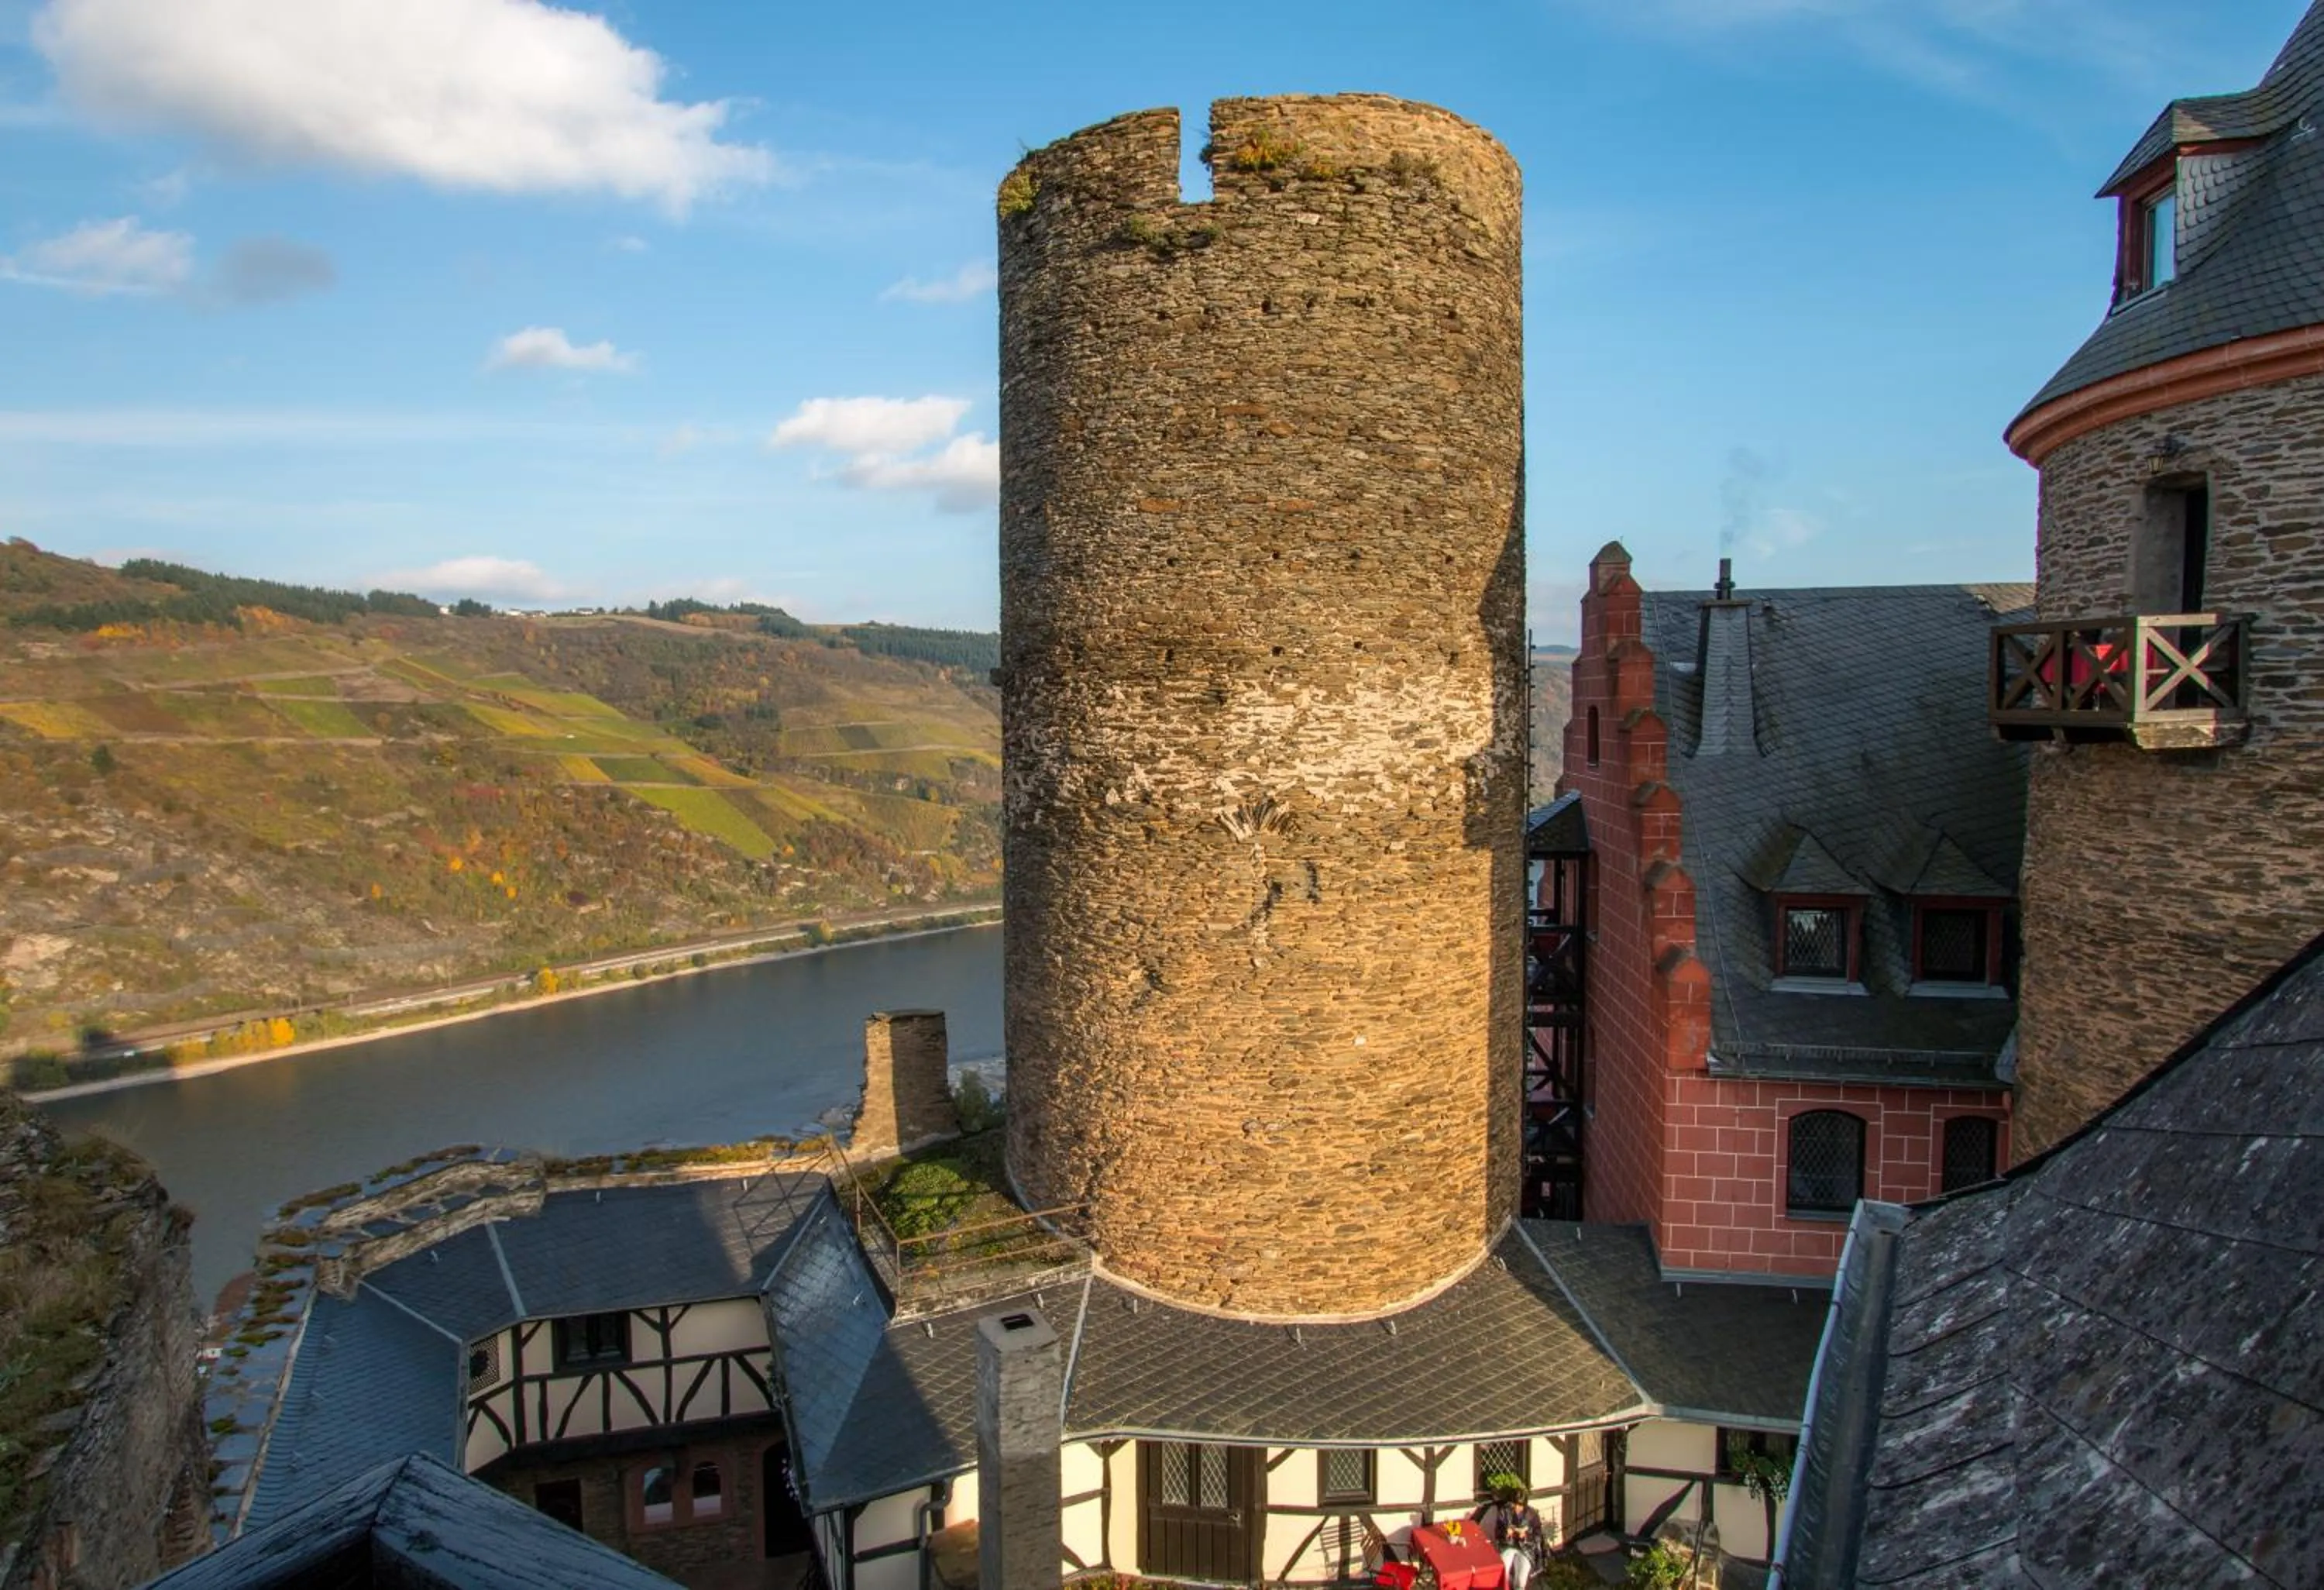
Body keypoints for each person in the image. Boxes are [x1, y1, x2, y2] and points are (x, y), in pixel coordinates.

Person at [1472, 1482, 1545, 1590]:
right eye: (1514, 1504)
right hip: (1508, 1545)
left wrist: (1525, 1535)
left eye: (1520, 1505)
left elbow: (1538, 1536)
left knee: (1521, 1579)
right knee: (1503, 1570)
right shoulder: (1504, 1512)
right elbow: (1498, 1533)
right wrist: (1506, 1533)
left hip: (1526, 1548)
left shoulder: (1532, 1515)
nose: (1516, 1508)